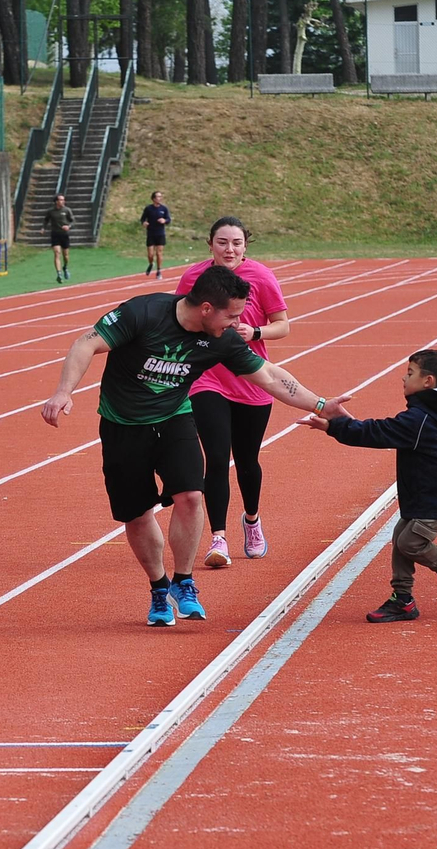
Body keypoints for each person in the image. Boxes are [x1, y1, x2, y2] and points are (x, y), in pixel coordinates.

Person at [40, 264, 350, 627]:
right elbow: (87, 343)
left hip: (174, 419)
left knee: (190, 495)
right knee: (137, 515)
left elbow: (268, 375)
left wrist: (320, 404)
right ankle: (158, 589)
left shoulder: (222, 339)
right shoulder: (143, 312)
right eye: (231, 315)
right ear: (206, 308)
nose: (236, 324)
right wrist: (64, 392)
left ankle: (184, 581)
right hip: (123, 426)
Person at [305, 348, 437, 623]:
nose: (403, 378)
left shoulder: (421, 420)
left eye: (410, 374)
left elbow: (379, 432)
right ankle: (403, 600)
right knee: (401, 537)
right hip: (427, 491)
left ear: (428, 381)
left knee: (410, 542)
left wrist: (335, 426)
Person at [174, 217, 289, 567]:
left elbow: (283, 326)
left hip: (251, 379)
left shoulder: (261, 277)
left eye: (236, 243)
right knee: (217, 458)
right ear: (210, 244)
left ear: (245, 246)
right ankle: (218, 538)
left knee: (247, 460)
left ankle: (251, 520)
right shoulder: (194, 278)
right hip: (207, 379)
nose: (230, 249)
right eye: (222, 242)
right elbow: (177, 320)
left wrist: (253, 333)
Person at [45, 195, 75, 283]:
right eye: (61, 200)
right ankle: (59, 274)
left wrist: (68, 226)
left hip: (64, 235)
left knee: (65, 255)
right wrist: (43, 228)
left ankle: (65, 267)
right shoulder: (51, 211)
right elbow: (46, 220)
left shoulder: (67, 210)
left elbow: (73, 221)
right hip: (55, 234)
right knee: (57, 253)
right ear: (56, 201)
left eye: (63, 200)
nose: (62, 201)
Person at [140, 190, 170, 278]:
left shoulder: (164, 209)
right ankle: (151, 263)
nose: (159, 198)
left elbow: (168, 219)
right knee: (150, 254)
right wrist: (144, 223)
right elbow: (142, 219)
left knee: (159, 253)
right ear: (153, 198)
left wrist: (164, 220)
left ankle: (159, 271)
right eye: (158, 196)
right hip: (151, 233)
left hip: (160, 233)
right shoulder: (148, 208)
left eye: (160, 196)